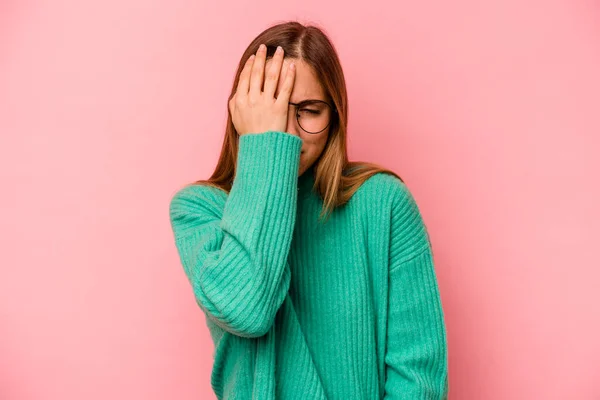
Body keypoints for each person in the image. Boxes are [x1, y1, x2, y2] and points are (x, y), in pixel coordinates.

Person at [169, 21, 449, 399]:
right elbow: (247, 310)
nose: (288, 131)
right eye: (272, 110)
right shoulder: (201, 210)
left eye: (309, 111)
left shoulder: (383, 203)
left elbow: (420, 379)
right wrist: (266, 150)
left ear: (334, 116)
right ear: (243, 113)